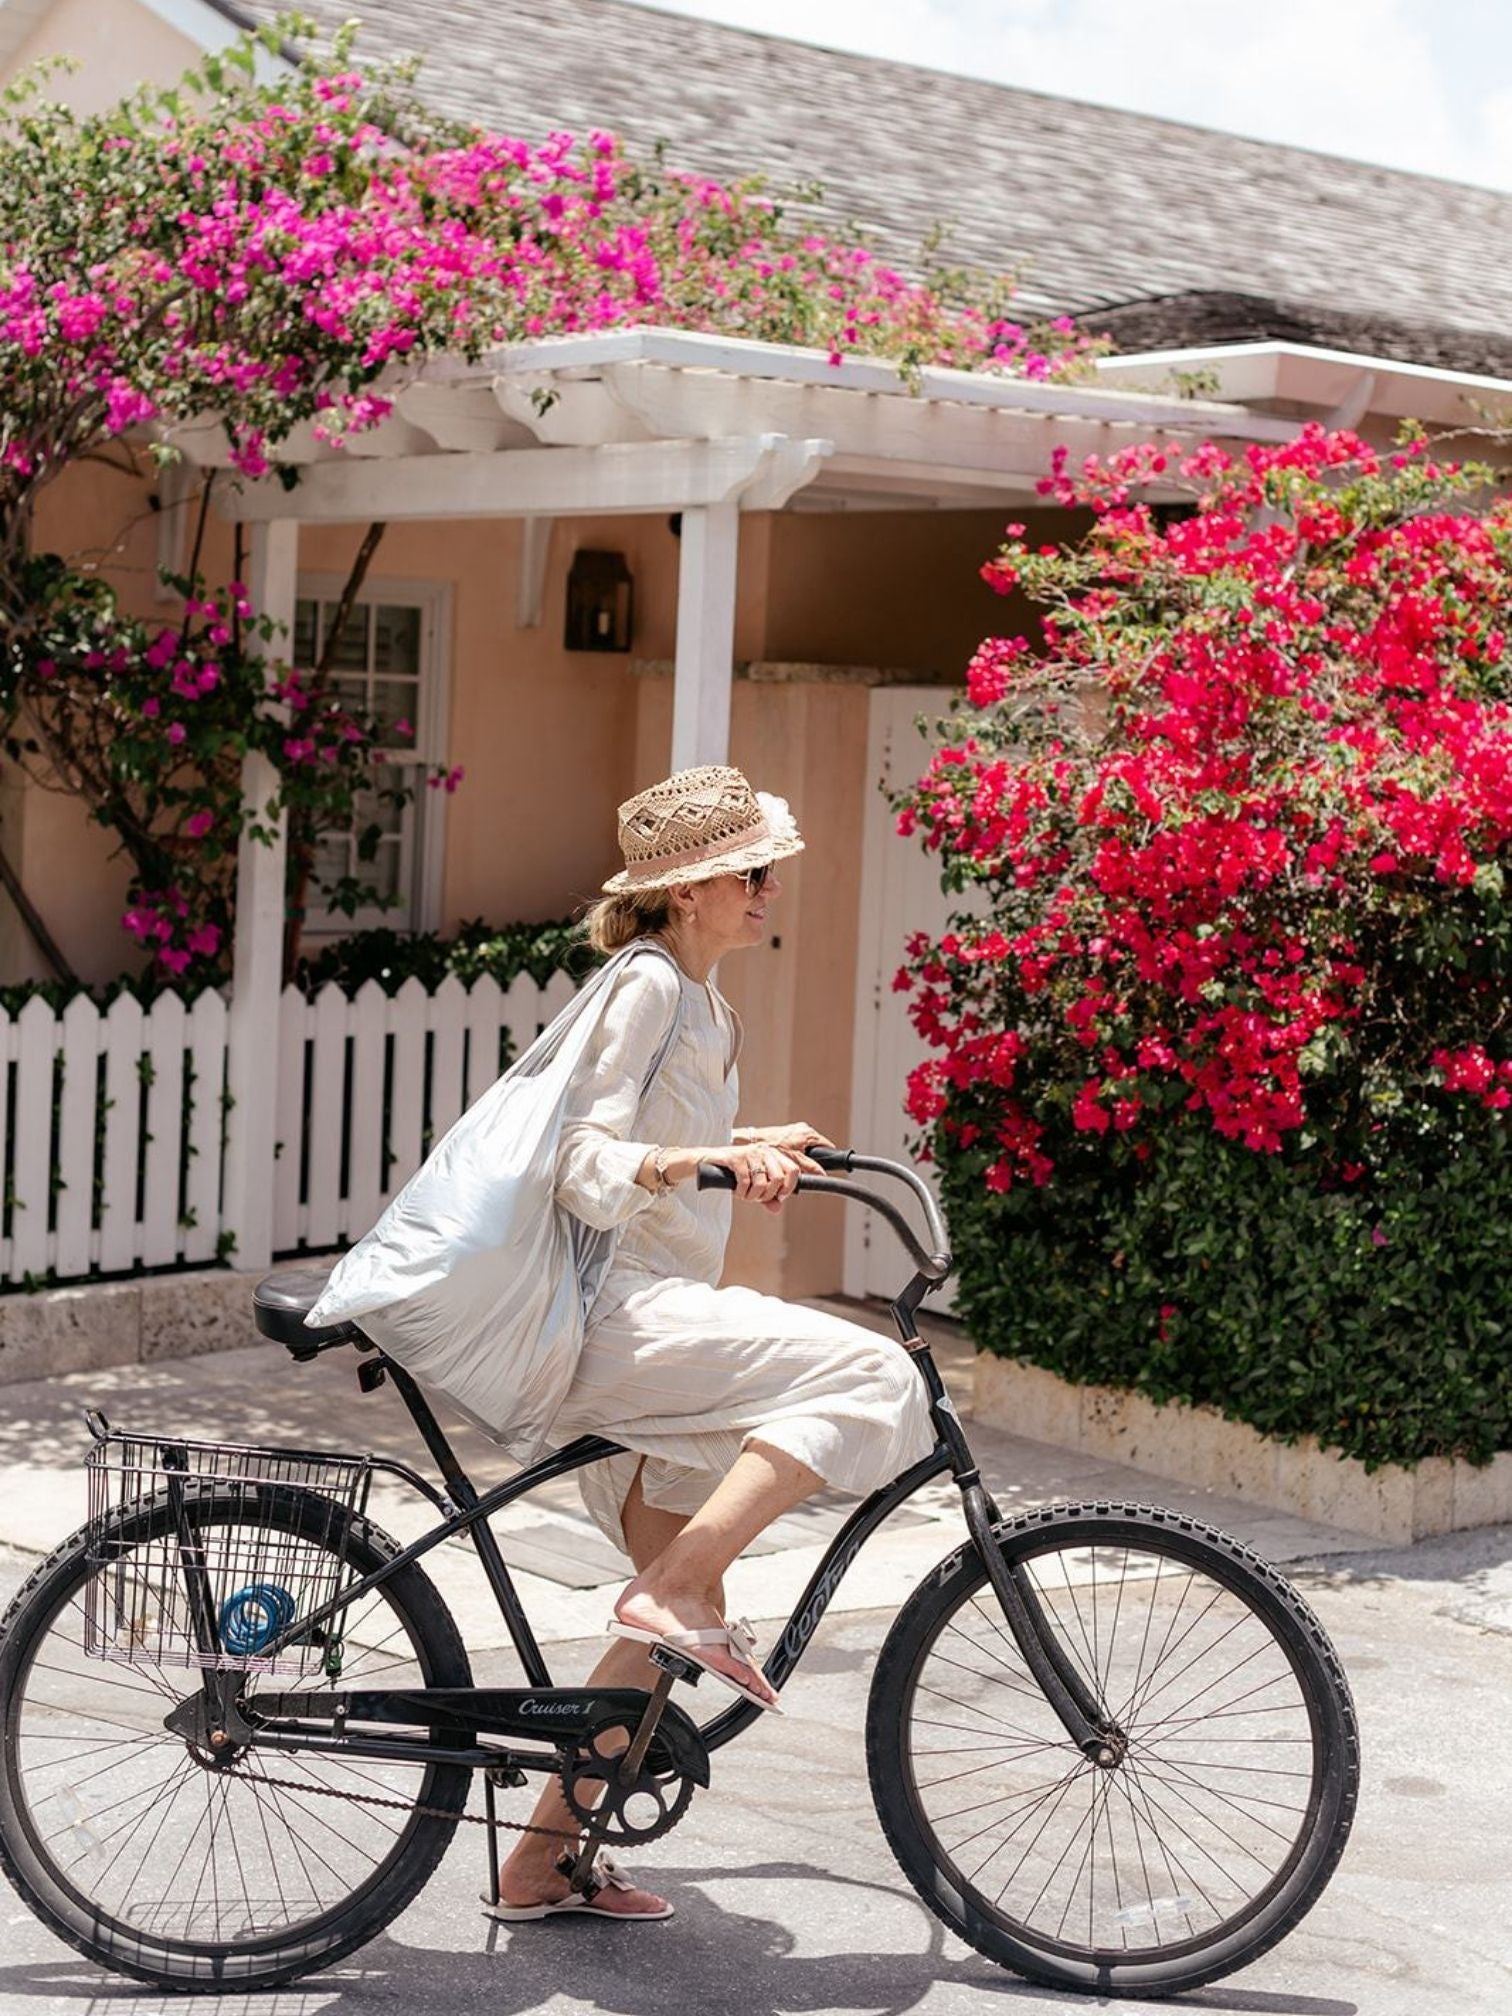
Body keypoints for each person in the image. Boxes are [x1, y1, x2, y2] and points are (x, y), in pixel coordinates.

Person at [486, 765, 936, 1924]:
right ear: (686, 891)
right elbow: (581, 1163)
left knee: (656, 1650)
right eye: (749, 869)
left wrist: (741, 1137)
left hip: (649, 1323)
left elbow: (651, 1135)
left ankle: (537, 1864)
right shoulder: (644, 986)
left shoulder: (700, 1000)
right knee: (876, 1368)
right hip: (621, 1318)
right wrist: (710, 1162)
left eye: (765, 865)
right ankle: (678, 1589)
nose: (767, 886)